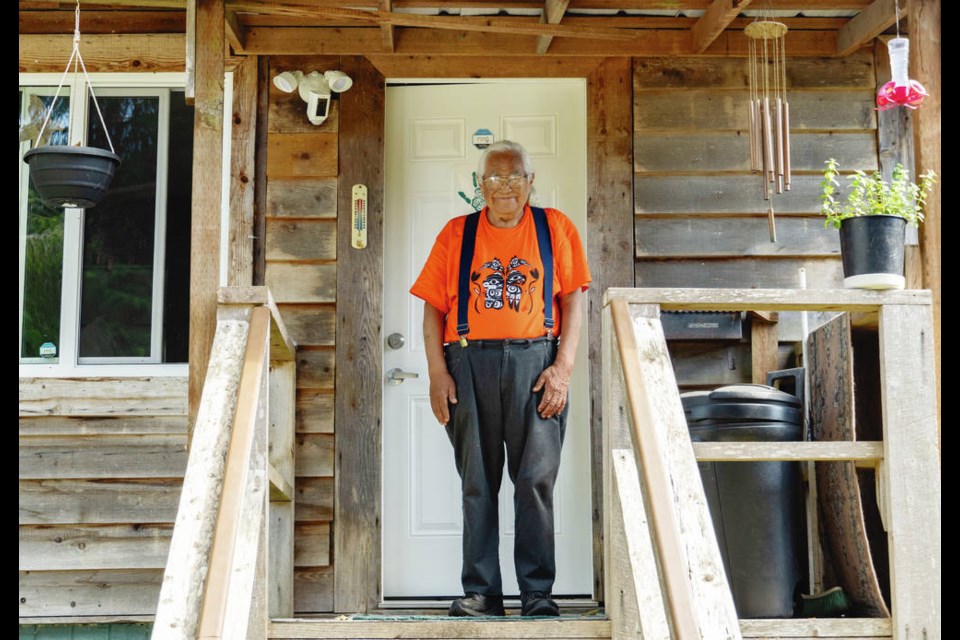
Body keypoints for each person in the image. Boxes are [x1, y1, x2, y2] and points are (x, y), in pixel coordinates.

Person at [410, 140, 591, 618]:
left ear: (531, 182)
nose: (505, 187)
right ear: (481, 186)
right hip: (469, 366)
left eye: (514, 177)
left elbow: (574, 301)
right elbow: (432, 311)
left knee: (534, 481)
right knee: (477, 481)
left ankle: (537, 593)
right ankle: (483, 593)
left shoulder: (555, 228)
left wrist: (563, 368)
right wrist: (436, 372)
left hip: (538, 365)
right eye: (494, 178)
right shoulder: (456, 234)